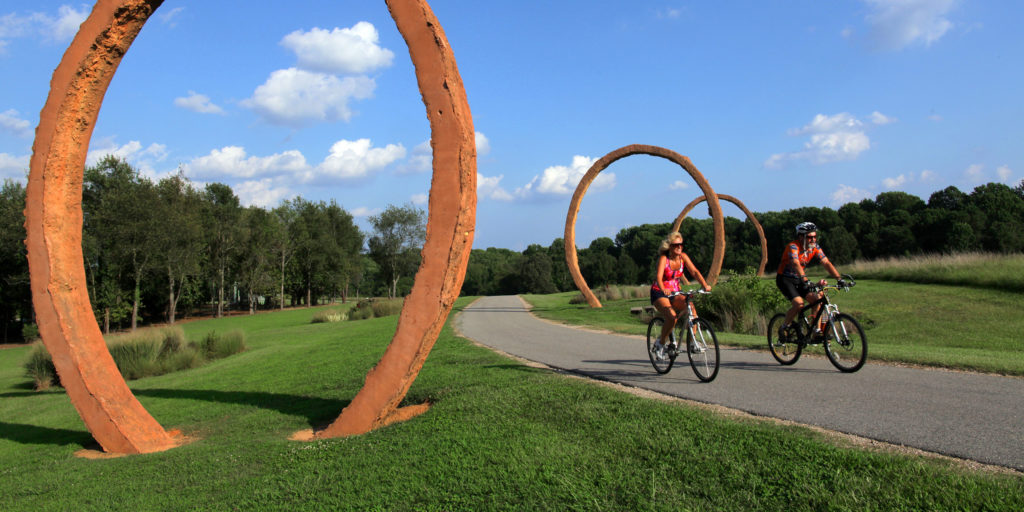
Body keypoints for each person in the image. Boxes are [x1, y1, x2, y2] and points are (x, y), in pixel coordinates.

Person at [775, 222, 844, 338]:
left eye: (814, 237)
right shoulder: (793, 246)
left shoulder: (815, 247)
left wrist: (839, 279)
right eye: (810, 237)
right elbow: (796, 263)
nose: (813, 240)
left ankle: (816, 331)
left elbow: (826, 263)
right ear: (801, 237)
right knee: (799, 304)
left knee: (817, 299)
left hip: (799, 279)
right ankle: (784, 327)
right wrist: (806, 280)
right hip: (785, 279)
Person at [649, 231, 711, 360]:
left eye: (681, 245)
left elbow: (694, 271)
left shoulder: (683, 257)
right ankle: (660, 344)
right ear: (670, 246)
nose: (679, 247)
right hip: (660, 292)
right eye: (676, 245)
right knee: (672, 317)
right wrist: (663, 288)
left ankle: (693, 342)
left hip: (675, 291)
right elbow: (659, 277)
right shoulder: (664, 259)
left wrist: (705, 285)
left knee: (691, 309)